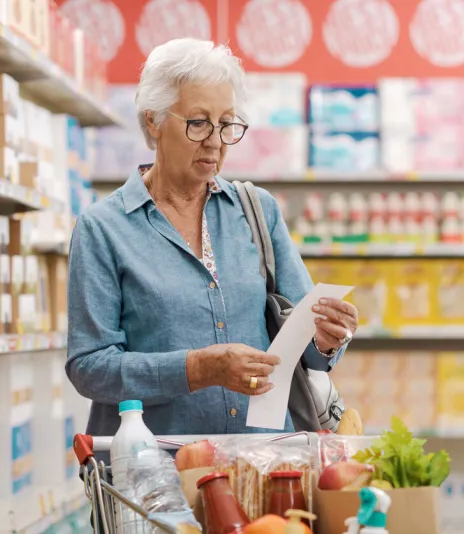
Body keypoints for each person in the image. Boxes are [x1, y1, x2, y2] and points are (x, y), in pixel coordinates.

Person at [66, 38, 359, 438]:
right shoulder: (104, 229)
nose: (216, 141)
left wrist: (326, 339)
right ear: (153, 120)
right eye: (198, 122)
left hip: (264, 461)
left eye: (227, 124)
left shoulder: (258, 211)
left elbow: (305, 349)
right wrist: (198, 369)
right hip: (157, 470)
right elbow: (89, 367)